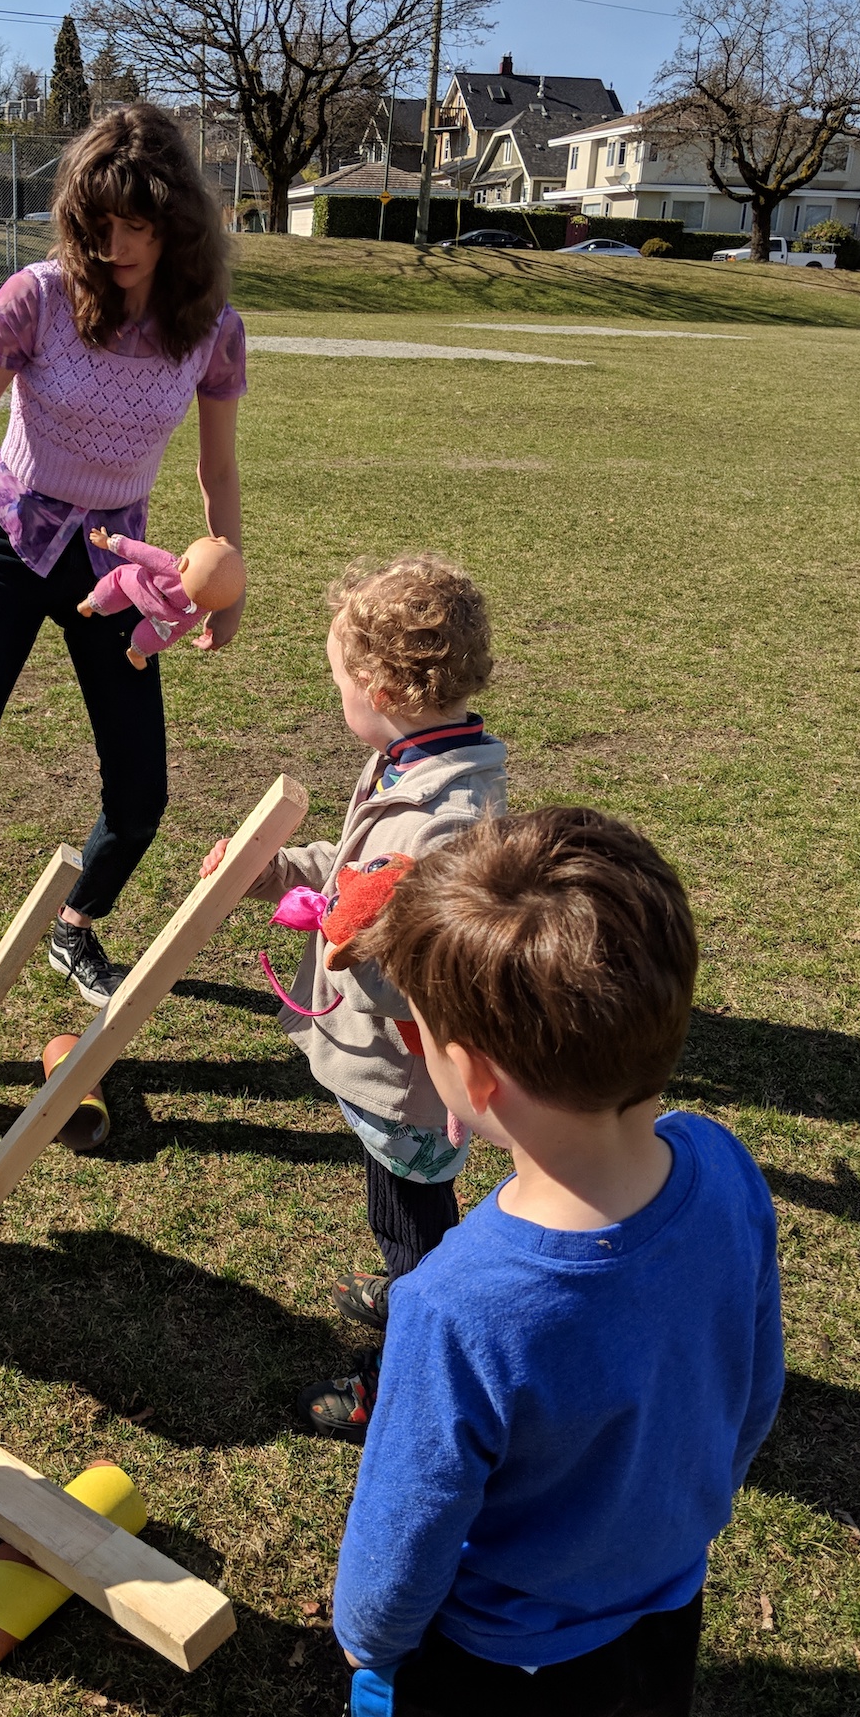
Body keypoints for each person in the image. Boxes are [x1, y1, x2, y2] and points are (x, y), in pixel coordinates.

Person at [333, 807, 784, 1717]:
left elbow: (405, 1528)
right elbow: (755, 1384)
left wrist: (365, 1641)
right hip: (664, 1607)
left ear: (476, 1077)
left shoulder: (454, 1305)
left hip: (495, 1669)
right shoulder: (724, 1163)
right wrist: (692, 1509)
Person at [0, 102, 247, 1122]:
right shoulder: (34, 299)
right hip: (8, 540)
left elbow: (216, 470)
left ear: (176, 224)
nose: (114, 246)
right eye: (99, 223)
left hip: (118, 561)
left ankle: (74, 924)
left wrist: (225, 576)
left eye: (138, 226)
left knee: (143, 789)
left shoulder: (211, 330)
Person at [202, 556, 505, 1438]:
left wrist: (335, 930)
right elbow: (355, 878)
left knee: (414, 1220)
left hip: (410, 1080)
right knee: (400, 1200)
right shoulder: (416, 767)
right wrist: (279, 877)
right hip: (392, 1076)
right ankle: (406, 1282)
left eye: (337, 678)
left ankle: (406, 1371)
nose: (336, 693)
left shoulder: (436, 821)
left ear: (374, 685)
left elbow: (419, 973)